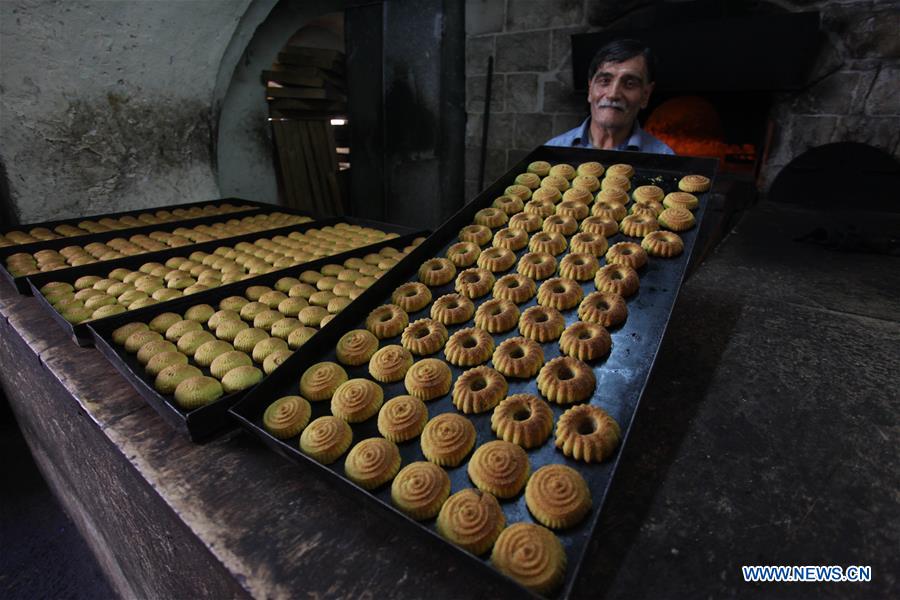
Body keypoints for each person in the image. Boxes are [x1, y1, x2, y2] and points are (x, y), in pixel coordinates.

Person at [546, 39, 673, 155]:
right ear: (590, 89)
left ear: (646, 95)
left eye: (629, 84)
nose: (613, 94)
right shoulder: (552, 150)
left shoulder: (664, 157)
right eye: (605, 81)